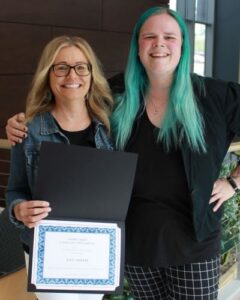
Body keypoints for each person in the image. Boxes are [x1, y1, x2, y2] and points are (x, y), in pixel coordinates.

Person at [6, 6, 240, 300]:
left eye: (169, 36)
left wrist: (234, 182)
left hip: (193, 242)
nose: (159, 44)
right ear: (137, 46)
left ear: (183, 44)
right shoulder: (116, 95)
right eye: (149, 36)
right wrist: (21, 123)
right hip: (133, 242)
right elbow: (71, 104)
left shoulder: (215, 96)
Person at [5, 35, 114, 300]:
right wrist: (19, 210)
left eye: (81, 66)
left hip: (95, 250)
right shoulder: (28, 130)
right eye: (61, 67)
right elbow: (15, 191)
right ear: (48, 74)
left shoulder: (111, 127)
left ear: (91, 74)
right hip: (48, 251)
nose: (71, 75)